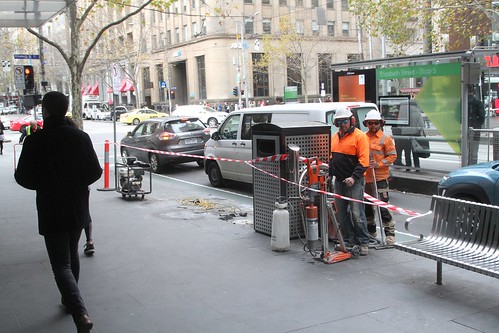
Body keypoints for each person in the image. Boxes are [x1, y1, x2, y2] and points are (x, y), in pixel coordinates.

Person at [14, 91, 102, 333]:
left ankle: (79, 312)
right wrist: (76, 182)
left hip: (51, 206)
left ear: (46, 111)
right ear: (65, 109)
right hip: (76, 206)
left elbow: (22, 177)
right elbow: (95, 172)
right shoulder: (81, 137)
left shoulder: (35, 140)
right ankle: (69, 299)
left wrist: (44, 184)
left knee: (60, 263)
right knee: (71, 253)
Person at [330, 107, 371, 255]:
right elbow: (332, 159)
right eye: (339, 121)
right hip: (339, 181)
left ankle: (364, 241)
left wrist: (353, 178)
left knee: (356, 213)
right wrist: (330, 174)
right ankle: (349, 239)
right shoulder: (335, 137)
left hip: (355, 182)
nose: (342, 124)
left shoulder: (360, 137)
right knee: (342, 213)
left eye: (345, 121)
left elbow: (364, 161)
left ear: (351, 121)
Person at [363, 110, 397, 245]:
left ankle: (390, 234)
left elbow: (392, 156)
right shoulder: (363, 137)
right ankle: (371, 233)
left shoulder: (385, 139)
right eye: (370, 123)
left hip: (380, 178)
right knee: (367, 208)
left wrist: (378, 164)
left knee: (383, 207)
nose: (373, 126)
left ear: (380, 123)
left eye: (376, 123)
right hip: (366, 179)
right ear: (366, 124)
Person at [393, 99, 425, 171]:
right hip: (415, 134)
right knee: (415, 152)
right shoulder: (417, 112)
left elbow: (399, 124)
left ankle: (408, 167)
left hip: (404, 134)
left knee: (407, 151)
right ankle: (417, 167)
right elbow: (422, 125)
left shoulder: (404, 112)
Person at [468, 88, 485, 165]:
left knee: (466, 147)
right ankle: (473, 164)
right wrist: (478, 124)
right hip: (475, 128)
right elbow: (482, 116)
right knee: (474, 148)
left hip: (465, 128)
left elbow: (457, 116)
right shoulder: (478, 103)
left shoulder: (462, 102)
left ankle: (467, 163)